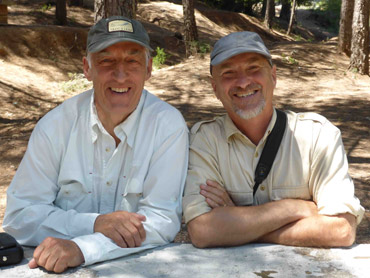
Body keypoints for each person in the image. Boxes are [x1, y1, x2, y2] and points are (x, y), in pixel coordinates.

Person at [3, 16, 188, 273]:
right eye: (106, 60)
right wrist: (95, 224)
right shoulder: (56, 125)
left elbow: (162, 220)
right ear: (87, 68)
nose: (120, 75)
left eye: (132, 60)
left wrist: (83, 249)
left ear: (148, 69)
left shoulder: (167, 126)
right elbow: (19, 219)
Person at [183, 31, 364, 249]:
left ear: (274, 76)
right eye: (228, 73)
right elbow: (203, 231)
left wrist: (237, 223)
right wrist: (293, 209)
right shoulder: (205, 140)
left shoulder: (318, 136)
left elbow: (341, 230)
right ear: (215, 89)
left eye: (253, 68)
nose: (243, 82)